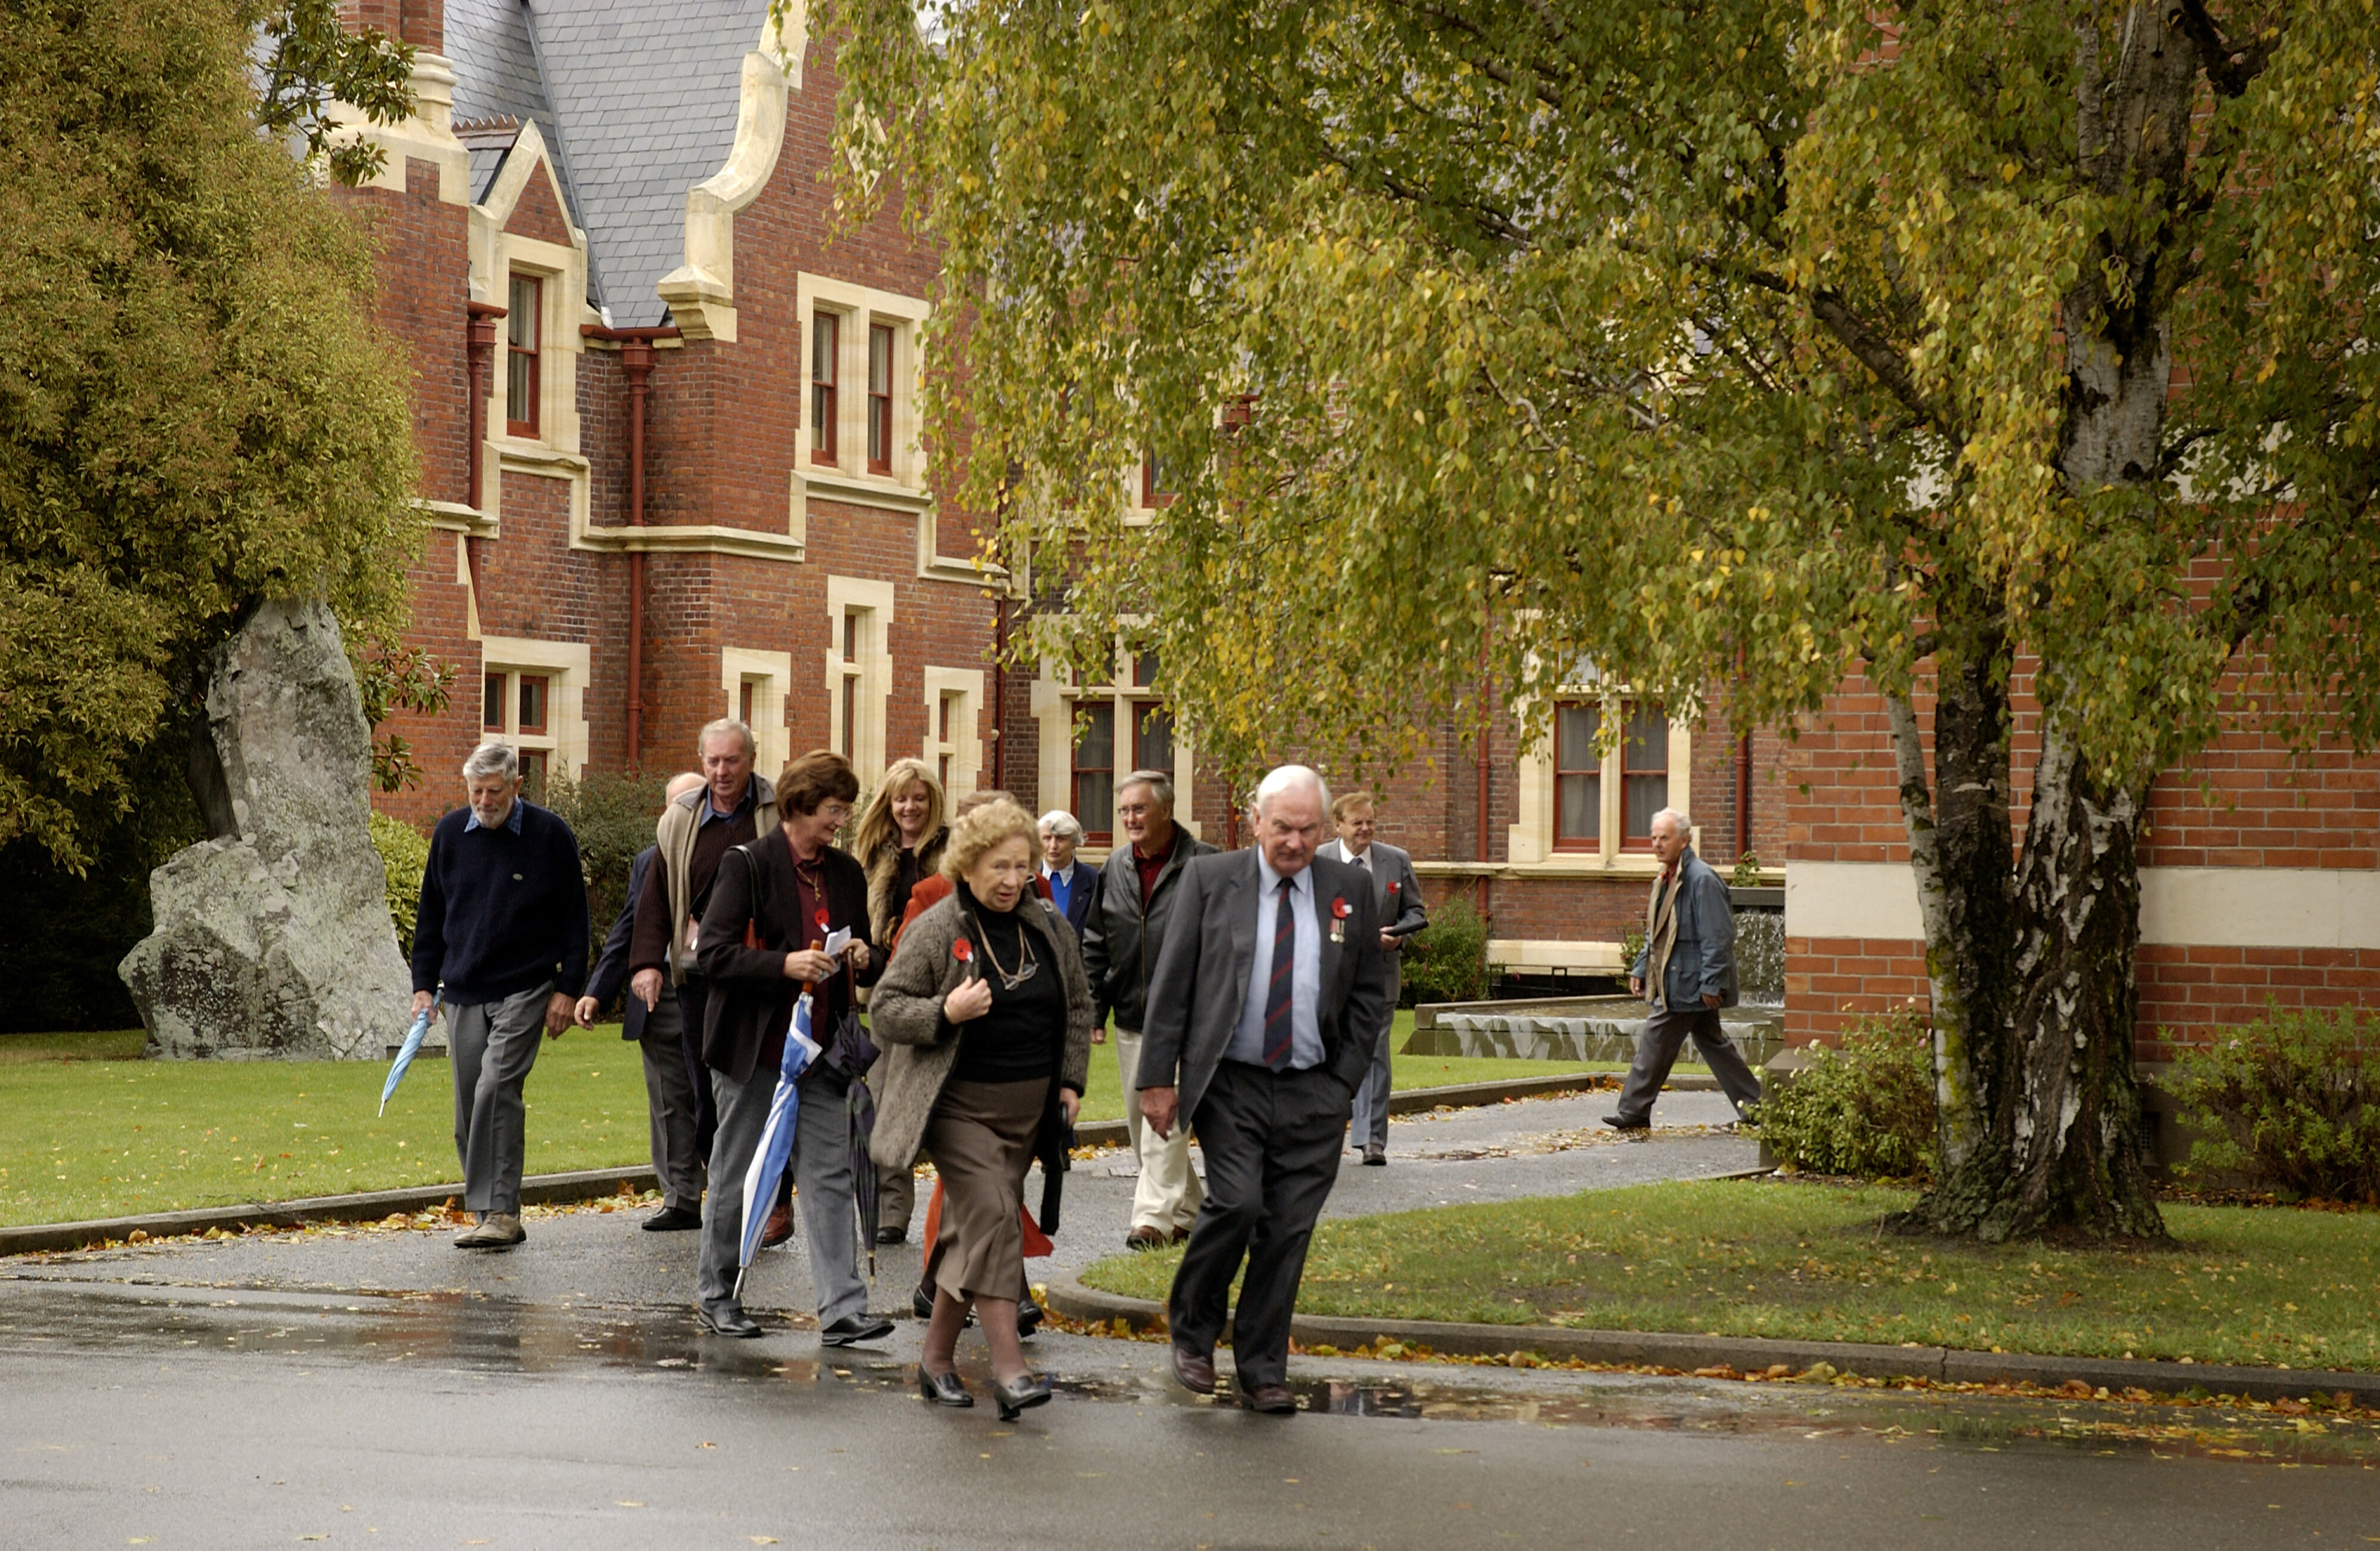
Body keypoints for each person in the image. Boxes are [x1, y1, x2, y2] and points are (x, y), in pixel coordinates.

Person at [1138, 765, 1389, 1414]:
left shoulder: (1351, 888)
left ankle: (1262, 1366)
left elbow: (1371, 993)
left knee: (1288, 1231)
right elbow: (1172, 984)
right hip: (1233, 1080)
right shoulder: (1210, 880)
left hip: (1315, 1087)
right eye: (1282, 827)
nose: (1295, 842)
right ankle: (1193, 1330)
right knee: (1239, 1203)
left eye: (1308, 829)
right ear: (1256, 821)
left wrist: (1343, 1083)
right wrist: (1157, 1080)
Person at [870, 799, 1093, 1419]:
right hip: (957, 1107)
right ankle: (1009, 1367)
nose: (1010, 878)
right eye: (998, 865)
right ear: (968, 865)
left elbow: (1077, 1003)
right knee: (995, 1216)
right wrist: (945, 1012)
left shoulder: (1047, 924)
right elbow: (885, 1007)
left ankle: (936, 1357)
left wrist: (1071, 1081)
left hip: (1027, 1110)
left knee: (973, 1232)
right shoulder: (939, 926)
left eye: (1021, 866)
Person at [691, 749, 889, 1345]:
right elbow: (714, 954)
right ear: (800, 807)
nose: (841, 821)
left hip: (826, 1052)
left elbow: (874, 951)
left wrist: (864, 956)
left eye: (845, 811)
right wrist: (785, 963)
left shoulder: (847, 872)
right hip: (756, 1053)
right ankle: (718, 1294)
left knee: (829, 1176)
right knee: (737, 1174)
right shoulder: (747, 864)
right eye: (834, 809)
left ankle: (843, 1310)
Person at [410, 740, 591, 1250]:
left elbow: (576, 919)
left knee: (496, 1089)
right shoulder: (449, 835)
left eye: (494, 792)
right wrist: (423, 987)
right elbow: (431, 920)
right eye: (475, 793)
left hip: (526, 984)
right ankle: (487, 1208)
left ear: (516, 786)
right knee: (469, 1106)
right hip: (464, 988)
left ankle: (502, 1212)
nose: (484, 802)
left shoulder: (550, 836)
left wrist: (568, 989)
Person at [628, 720, 783, 1239]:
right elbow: (655, 896)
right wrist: (647, 963)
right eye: (712, 761)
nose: (721, 771)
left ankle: (768, 1202)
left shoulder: (775, 813)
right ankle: (727, 1195)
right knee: (706, 1094)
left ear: (751, 760)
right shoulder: (681, 819)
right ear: (702, 760)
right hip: (698, 978)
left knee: (760, 1088)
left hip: (762, 977)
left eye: (732, 761)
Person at [1079, 769, 1216, 1250]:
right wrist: (1096, 1010)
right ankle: (1195, 1211)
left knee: (1167, 1120)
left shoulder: (1206, 865)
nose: (1130, 818)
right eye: (1123, 811)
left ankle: (1151, 1222)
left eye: (1139, 809)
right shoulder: (1114, 867)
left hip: (1188, 1022)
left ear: (1165, 810)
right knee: (1143, 1127)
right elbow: (1096, 941)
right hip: (1133, 1017)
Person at [578, 771, 708, 1230]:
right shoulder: (647, 862)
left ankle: (746, 1197)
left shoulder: (733, 857)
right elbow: (628, 929)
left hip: (717, 995)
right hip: (660, 997)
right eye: (674, 808)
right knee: (669, 1100)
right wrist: (596, 991)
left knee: (719, 1098)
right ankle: (682, 1199)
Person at [1603, 807, 1763, 1132]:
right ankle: (1759, 1109)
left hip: (1687, 984)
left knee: (1654, 1041)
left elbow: (1718, 936)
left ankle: (1633, 1110)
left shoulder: (1701, 879)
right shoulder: (1666, 879)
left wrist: (1711, 983)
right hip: (1680, 980)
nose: (1657, 844)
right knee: (1716, 1047)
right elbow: (1656, 933)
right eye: (1653, 838)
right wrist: (1640, 968)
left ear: (1685, 840)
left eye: (1665, 837)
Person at [854, 759, 948, 1244]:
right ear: (887, 804)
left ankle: (960, 1214)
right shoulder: (869, 856)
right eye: (900, 798)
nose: (910, 807)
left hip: (940, 1001)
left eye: (919, 798)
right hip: (883, 1000)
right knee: (882, 1106)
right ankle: (891, 1213)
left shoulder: (953, 850)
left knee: (941, 1112)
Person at [1315, 790, 1428, 1166]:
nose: (1366, 829)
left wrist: (1399, 935)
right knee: (1327, 1056)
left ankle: (1371, 1140)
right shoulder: (1318, 862)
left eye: (1371, 822)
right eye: (1357, 822)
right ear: (1338, 825)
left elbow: (1416, 911)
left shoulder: (1396, 861)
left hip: (1381, 977)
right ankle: (1323, 1134)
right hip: (1329, 980)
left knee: (1376, 1056)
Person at [1038, 809, 1098, 937]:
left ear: (1074, 843)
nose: (1053, 845)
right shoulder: (1027, 879)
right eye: (1047, 838)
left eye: (1060, 839)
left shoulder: (1093, 880)